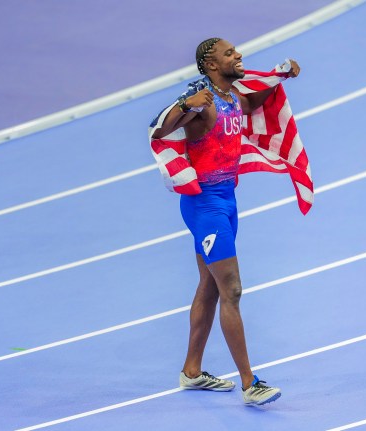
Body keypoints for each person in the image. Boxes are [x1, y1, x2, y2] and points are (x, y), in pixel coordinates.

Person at [151, 38, 301, 406]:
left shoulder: (233, 96)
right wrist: (186, 103)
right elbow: (159, 129)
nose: (239, 56)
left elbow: (255, 100)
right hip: (205, 206)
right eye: (230, 54)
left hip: (227, 200)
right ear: (211, 64)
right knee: (231, 289)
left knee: (210, 286)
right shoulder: (202, 103)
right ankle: (251, 384)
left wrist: (279, 78)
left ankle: (192, 372)